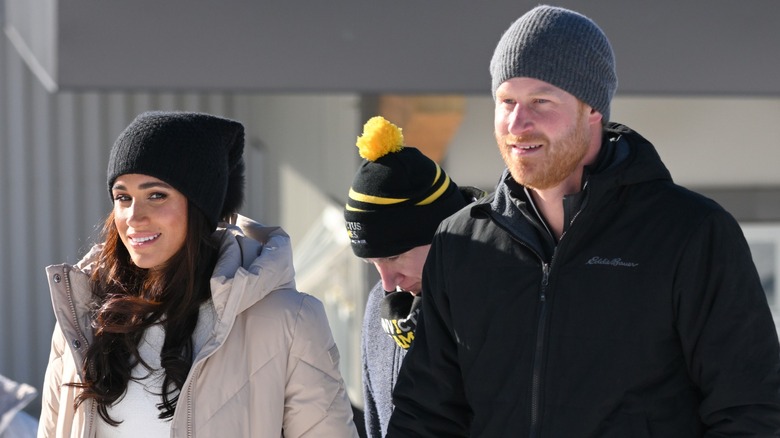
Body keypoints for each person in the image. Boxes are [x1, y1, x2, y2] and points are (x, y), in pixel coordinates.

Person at [386, 5, 780, 437]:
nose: (518, 123)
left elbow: (751, 408)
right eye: (506, 102)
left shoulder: (691, 233)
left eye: (541, 101)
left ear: (592, 108)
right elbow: (425, 416)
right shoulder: (461, 243)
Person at [38, 111, 359, 437]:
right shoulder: (83, 320)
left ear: (200, 207)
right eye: (123, 197)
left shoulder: (288, 322)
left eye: (156, 195)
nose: (134, 216)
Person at [343, 116, 485, 438]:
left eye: (394, 256)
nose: (387, 283)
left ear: (442, 232)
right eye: (373, 263)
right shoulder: (380, 304)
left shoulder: (494, 297)